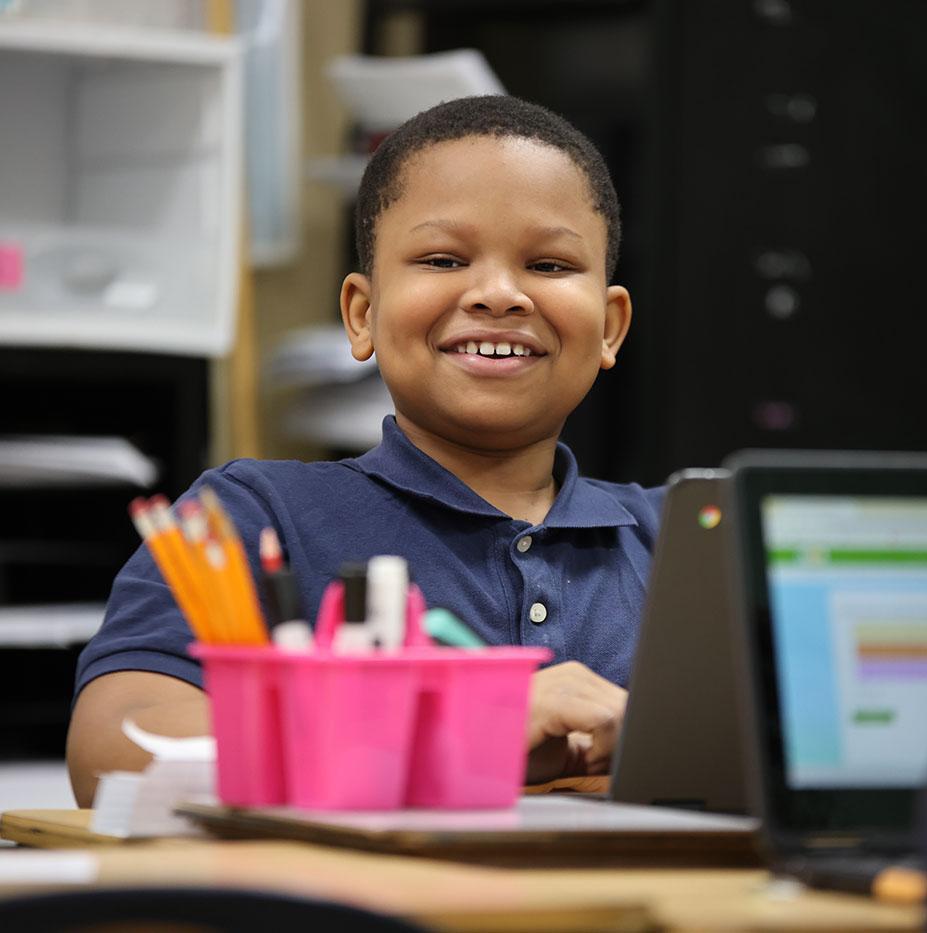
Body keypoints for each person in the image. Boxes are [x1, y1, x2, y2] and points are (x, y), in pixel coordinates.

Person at [67, 95, 665, 807]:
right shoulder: (257, 515)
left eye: (548, 264)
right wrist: (464, 730)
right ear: (361, 314)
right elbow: (114, 749)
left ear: (610, 326)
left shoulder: (682, 538)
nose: (499, 294)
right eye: (443, 258)